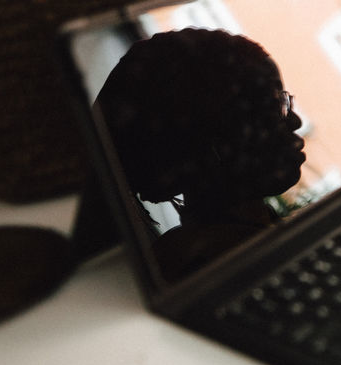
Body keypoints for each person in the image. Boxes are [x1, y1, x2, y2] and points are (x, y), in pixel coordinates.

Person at [96, 28, 307, 280]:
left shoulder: (241, 237)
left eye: (283, 101)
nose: (294, 120)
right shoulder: (200, 265)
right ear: (211, 141)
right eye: (271, 107)